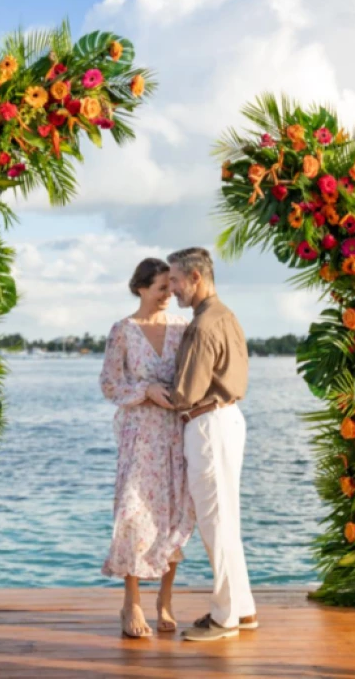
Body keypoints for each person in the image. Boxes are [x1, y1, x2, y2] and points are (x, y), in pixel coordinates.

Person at [165, 247, 257, 642]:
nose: (172, 289)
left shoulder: (202, 326)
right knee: (226, 520)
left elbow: (186, 392)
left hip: (207, 423)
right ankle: (243, 608)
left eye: (175, 280)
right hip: (227, 419)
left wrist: (149, 392)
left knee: (215, 523)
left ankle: (225, 618)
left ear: (195, 278)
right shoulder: (227, 315)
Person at [100, 258, 195, 638]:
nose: (168, 295)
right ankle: (132, 602)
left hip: (176, 431)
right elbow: (109, 385)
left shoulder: (182, 328)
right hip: (139, 436)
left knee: (172, 515)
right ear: (140, 288)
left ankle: (166, 599)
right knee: (133, 514)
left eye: (171, 288)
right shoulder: (122, 331)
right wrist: (145, 392)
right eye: (161, 289)